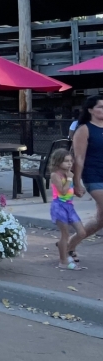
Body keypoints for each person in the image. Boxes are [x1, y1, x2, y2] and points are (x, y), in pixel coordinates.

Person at [71, 94, 103, 248]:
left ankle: (69, 244)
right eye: (100, 107)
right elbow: (79, 158)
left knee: (100, 220)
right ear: (90, 110)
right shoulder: (84, 129)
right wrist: (77, 183)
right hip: (93, 176)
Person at [49, 149, 86, 269]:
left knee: (82, 232)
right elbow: (63, 191)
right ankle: (63, 261)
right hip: (59, 206)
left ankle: (65, 247)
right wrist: (70, 178)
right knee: (65, 234)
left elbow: (69, 190)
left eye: (71, 161)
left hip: (69, 206)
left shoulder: (69, 173)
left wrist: (78, 191)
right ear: (58, 162)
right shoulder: (55, 175)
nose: (69, 163)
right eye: (66, 161)